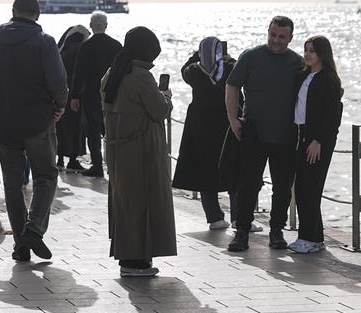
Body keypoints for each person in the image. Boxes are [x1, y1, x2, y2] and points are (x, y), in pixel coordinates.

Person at [0, 0, 68, 262]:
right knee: (46, 177)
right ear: (38, 15)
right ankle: (34, 230)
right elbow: (58, 84)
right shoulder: (45, 42)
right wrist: (60, 104)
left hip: (4, 123)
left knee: (13, 184)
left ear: (13, 11)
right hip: (38, 121)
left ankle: (20, 245)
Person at [102, 26, 177, 277]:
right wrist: (166, 98)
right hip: (141, 149)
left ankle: (129, 257)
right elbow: (158, 110)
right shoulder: (141, 76)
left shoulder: (112, 73)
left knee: (126, 203)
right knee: (144, 202)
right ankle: (136, 262)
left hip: (117, 149)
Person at [224, 16, 303, 252]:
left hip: (286, 135)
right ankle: (242, 232)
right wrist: (232, 119)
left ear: (290, 37)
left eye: (281, 36)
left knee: (282, 187)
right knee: (248, 184)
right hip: (253, 132)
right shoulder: (251, 56)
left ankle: (276, 231)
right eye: (273, 34)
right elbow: (231, 86)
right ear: (268, 32)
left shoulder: (297, 62)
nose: (276, 40)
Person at [172, 37, 242, 230]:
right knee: (234, 170)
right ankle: (239, 217)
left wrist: (197, 54)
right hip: (226, 124)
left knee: (205, 172)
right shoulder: (229, 68)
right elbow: (240, 76)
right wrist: (226, 56)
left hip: (200, 127)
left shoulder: (193, 72)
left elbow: (185, 67)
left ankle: (214, 218)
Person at [288, 35, 343, 254]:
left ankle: (308, 238)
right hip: (300, 136)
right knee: (301, 188)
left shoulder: (328, 79)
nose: (307, 54)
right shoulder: (303, 76)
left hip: (317, 141)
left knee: (310, 189)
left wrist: (318, 140)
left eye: (312, 50)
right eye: (306, 50)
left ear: (322, 54)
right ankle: (315, 238)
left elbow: (332, 116)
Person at [69, 11, 122, 177]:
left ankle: (97, 165)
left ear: (91, 26)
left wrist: (75, 96)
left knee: (92, 130)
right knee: (112, 130)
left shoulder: (86, 46)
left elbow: (79, 73)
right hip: (112, 94)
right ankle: (116, 165)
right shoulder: (116, 45)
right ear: (105, 26)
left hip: (90, 94)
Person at [56, 25, 90, 171]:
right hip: (75, 96)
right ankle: (73, 160)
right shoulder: (79, 51)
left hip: (60, 95)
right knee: (75, 128)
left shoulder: (60, 52)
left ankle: (60, 159)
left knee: (61, 128)